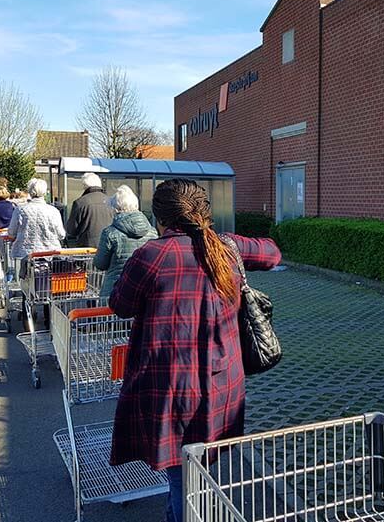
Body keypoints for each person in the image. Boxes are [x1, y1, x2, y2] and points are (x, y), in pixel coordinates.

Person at [108, 179, 281, 522]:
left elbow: (120, 304)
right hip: (222, 383)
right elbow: (272, 252)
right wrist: (230, 240)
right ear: (204, 212)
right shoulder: (225, 247)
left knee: (183, 474)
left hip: (169, 385)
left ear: (159, 217)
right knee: (195, 468)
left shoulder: (151, 256)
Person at [94, 185, 158, 298]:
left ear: (115, 208)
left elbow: (100, 264)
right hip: (143, 291)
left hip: (114, 291)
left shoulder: (109, 233)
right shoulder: (152, 232)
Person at [7, 178, 66, 262]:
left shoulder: (20, 210)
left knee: (23, 274)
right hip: (50, 254)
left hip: (24, 254)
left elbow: (12, 232)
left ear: (30, 192)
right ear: (45, 192)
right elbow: (61, 235)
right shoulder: (53, 211)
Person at [65, 173, 113, 248]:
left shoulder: (80, 202)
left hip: (87, 248)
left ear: (85, 186)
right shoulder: (110, 201)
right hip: (108, 246)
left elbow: (71, 230)